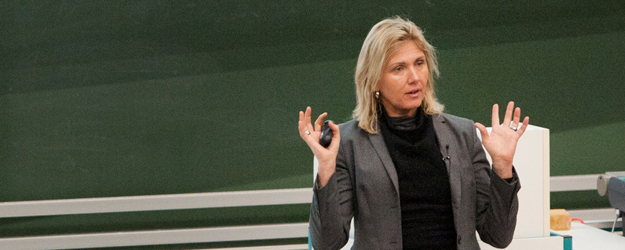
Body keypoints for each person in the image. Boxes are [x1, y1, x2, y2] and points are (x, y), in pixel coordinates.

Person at [298, 16, 529, 250]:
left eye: (419, 63)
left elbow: (498, 236)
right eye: (399, 68)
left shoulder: (462, 134)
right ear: (374, 80)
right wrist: (325, 168)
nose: (415, 77)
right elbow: (326, 244)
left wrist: (502, 167)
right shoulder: (349, 143)